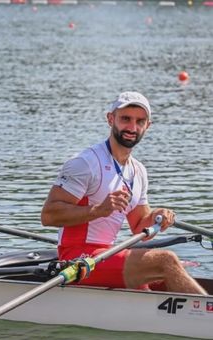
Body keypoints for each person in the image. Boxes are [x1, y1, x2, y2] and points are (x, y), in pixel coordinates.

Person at [41, 91, 206, 294]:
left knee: (168, 271)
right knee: (166, 260)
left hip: (106, 254)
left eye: (140, 121)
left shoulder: (138, 171)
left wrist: (156, 216)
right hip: (78, 258)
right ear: (111, 119)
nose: (132, 127)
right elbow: (48, 215)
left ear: (148, 126)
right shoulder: (85, 163)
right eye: (125, 119)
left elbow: (139, 228)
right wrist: (97, 210)